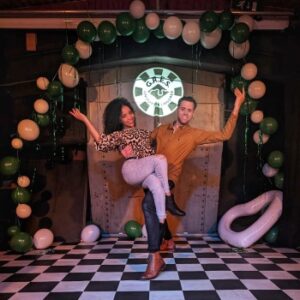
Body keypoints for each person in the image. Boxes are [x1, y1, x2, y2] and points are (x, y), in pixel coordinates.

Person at [121, 88, 245, 279]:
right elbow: (143, 142)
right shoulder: (161, 129)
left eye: (189, 110)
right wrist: (126, 147)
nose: (185, 112)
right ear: (177, 110)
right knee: (157, 207)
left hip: (169, 179)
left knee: (148, 205)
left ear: (192, 113)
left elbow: (224, 135)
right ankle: (168, 240)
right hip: (152, 176)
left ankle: (155, 258)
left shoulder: (195, 134)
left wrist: (237, 104)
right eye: (183, 109)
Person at [69, 97, 184, 226]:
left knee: (156, 184)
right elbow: (101, 141)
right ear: (119, 119)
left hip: (145, 170)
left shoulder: (146, 133)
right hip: (132, 168)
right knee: (160, 160)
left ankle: (161, 221)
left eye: (130, 113)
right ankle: (168, 197)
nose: (130, 117)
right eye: (124, 116)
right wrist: (85, 119)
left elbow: (162, 142)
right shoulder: (119, 135)